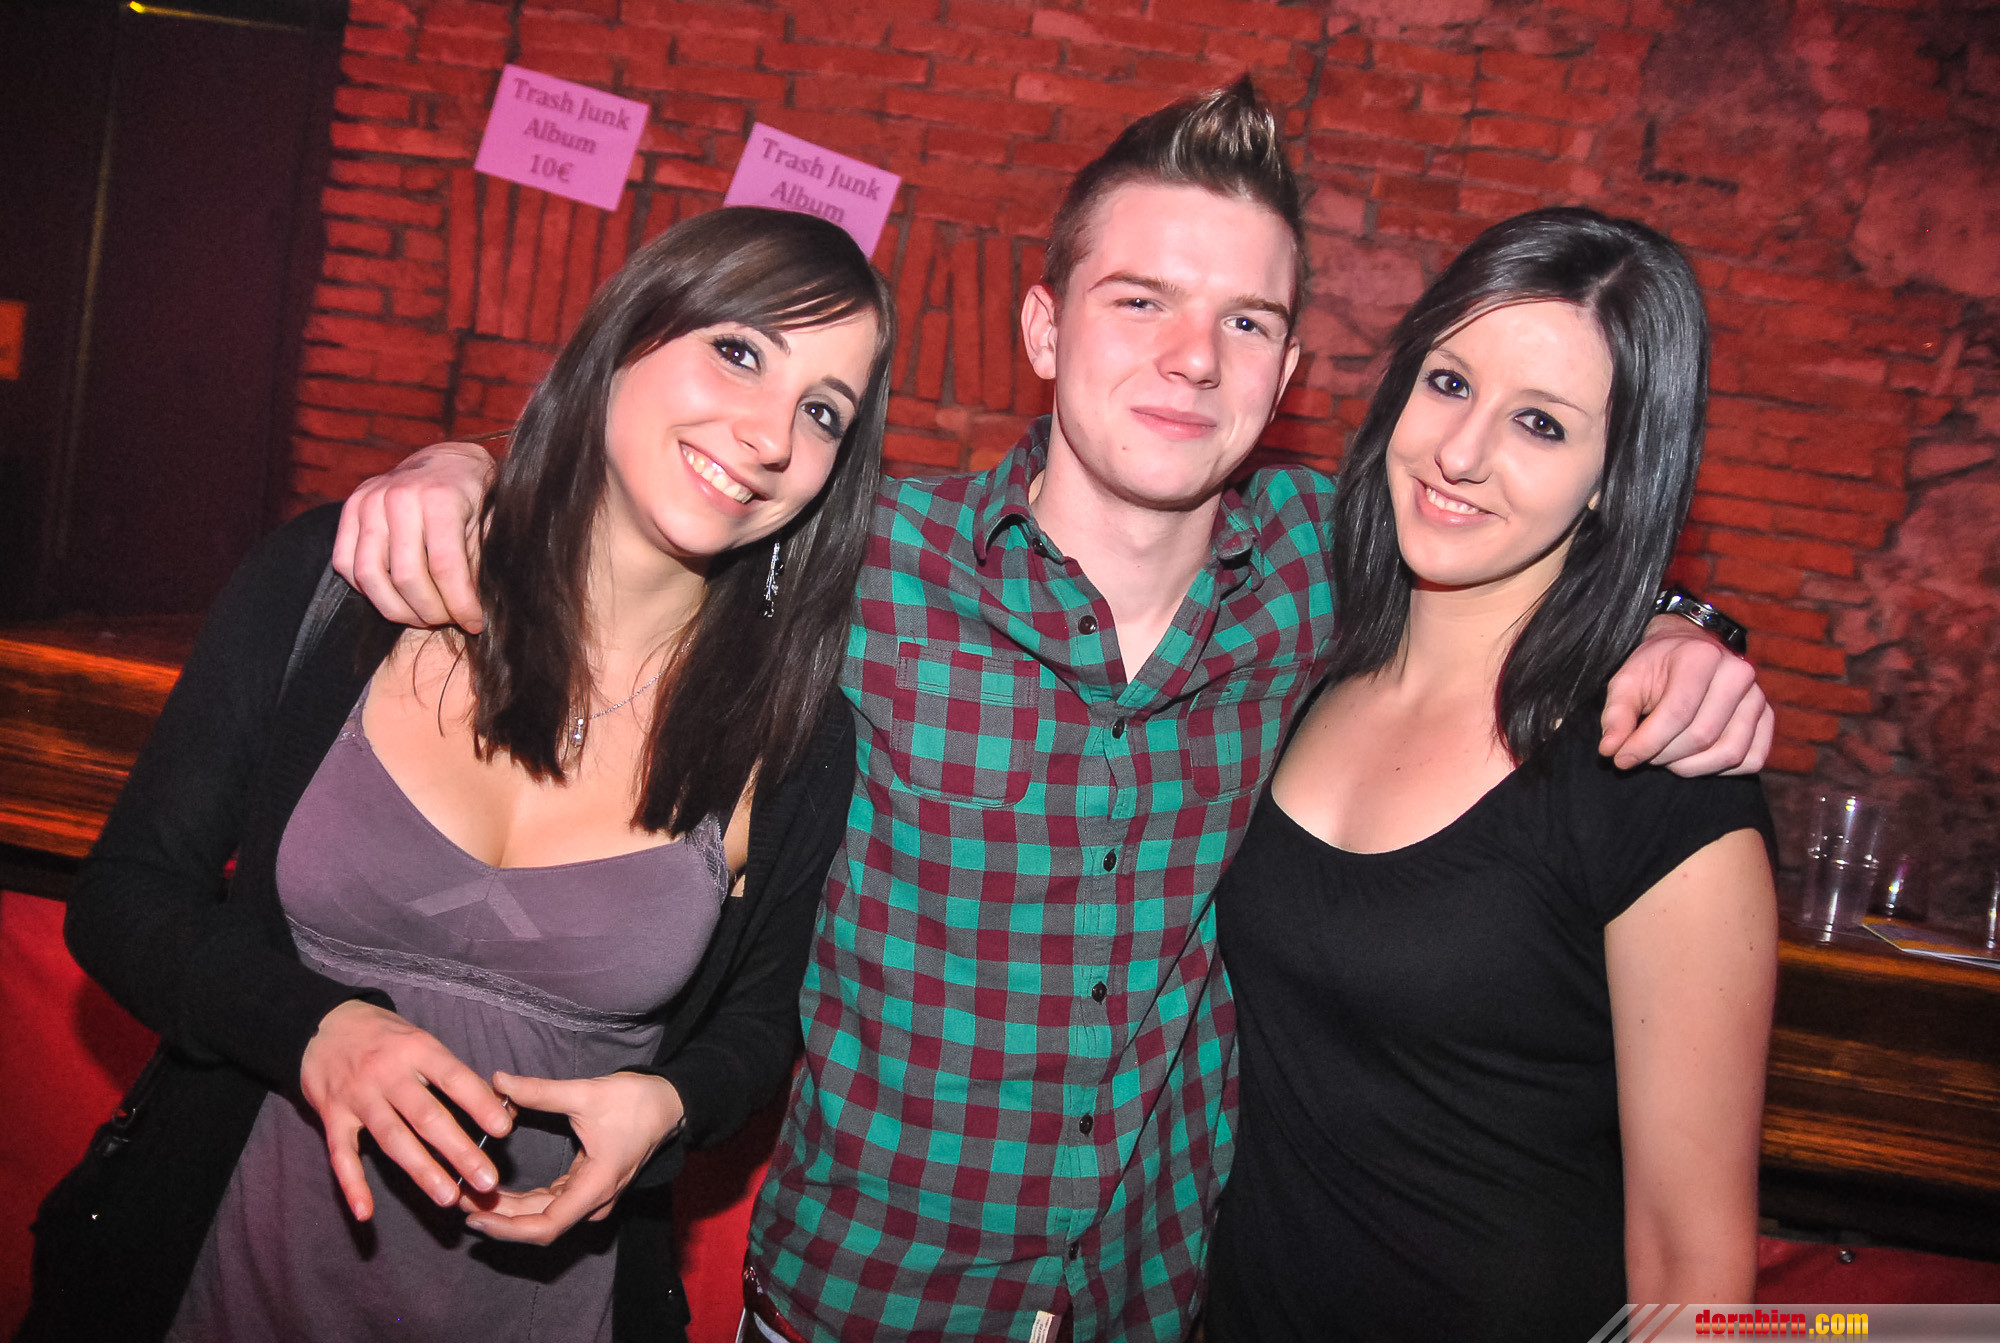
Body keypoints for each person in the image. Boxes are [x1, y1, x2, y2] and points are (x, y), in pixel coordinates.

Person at [328, 83, 1773, 1342]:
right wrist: (461, 472)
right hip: (859, 1304)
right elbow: (641, 504)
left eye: (1245, 321)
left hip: (1158, 1309)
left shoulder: (1324, 580)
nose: (1191, 357)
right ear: (1043, 324)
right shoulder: (858, 562)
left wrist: (1675, 624)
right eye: (1139, 300)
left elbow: (1515, 533)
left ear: (1285, 377)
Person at [24, 206, 894, 1343]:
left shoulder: (792, 735)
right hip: (223, 1280)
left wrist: (670, 1104)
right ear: (626, 335)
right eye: (738, 351)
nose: (769, 433)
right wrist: (313, 1028)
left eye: (822, 411)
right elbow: (126, 894)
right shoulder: (348, 584)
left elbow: (760, 1025)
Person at [1203, 208, 1777, 1342]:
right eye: (1450, 382)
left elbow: (1692, 1259)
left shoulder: (1653, 770)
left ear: (1615, 474)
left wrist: (1677, 622)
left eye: (1541, 424)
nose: (1460, 453)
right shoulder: (1301, 660)